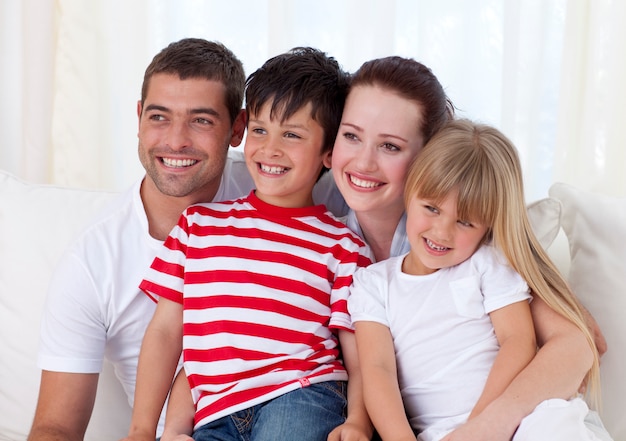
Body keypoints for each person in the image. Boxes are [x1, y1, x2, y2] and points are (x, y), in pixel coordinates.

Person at [28, 38, 344, 441]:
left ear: (237, 128)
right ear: (139, 118)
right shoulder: (92, 262)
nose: (176, 140)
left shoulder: (282, 180)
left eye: (201, 120)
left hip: (296, 405)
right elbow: (55, 426)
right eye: (159, 117)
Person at [330, 56, 611, 440]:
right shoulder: (330, 238)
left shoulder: (483, 250)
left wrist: (482, 427)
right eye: (351, 135)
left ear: (427, 155)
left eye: (391, 146)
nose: (363, 161)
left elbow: (575, 344)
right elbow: (374, 368)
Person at [125, 47, 373, 441]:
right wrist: (143, 430)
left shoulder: (343, 245)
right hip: (216, 411)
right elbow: (167, 334)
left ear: (329, 152)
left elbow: (361, 354)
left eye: (291, 134)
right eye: (260, 130)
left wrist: (358, 420)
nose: (270, 149)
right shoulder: (198, 225)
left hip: (301, 393)